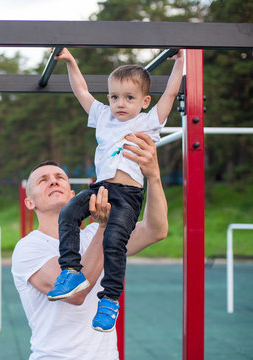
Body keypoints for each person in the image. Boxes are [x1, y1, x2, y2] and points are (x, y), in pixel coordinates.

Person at [44, 48, 183, 332]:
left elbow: (169, 95)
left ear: (145, 101)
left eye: (129, 98)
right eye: (115, 96)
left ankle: (109, 299)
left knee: (114, 243)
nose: (120, 103)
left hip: (128, 196)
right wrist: (71, 61)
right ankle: (71, 270)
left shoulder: (148, 121)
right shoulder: (104, 116)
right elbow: (81, 91)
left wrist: (181, 62)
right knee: (69, 213)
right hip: (101, 187)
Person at [11, 132, 168, 359]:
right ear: (29, 202)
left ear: (73, 195)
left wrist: (153, 177)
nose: (53, 181)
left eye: (60, 177)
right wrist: (104, 228)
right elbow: (76, 294)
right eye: (42, 180)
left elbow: (156, 230)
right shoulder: (28, 248)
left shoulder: (95, 232)